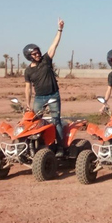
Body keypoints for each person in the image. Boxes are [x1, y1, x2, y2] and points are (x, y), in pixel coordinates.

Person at [24, 18, 65, 156]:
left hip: (53, 95)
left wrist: (60, 30)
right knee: (35, 121)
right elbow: (28, 88)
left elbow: (54, 45)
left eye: (38, 52)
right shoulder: (28, 71)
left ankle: (60, 147)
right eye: (34, 54)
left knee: (56, 121)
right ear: (29, 57)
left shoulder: (46, 60)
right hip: (39, 98)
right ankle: (38, 146)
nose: (38, 54)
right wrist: (28, 103)